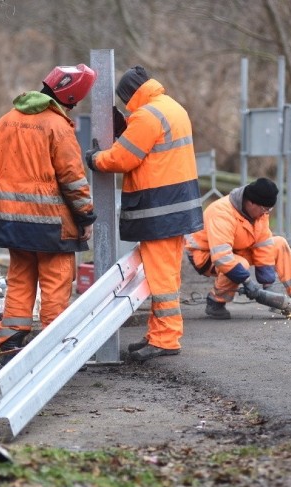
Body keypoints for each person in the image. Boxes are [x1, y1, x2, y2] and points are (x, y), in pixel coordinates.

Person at [86, 66, 204, 361]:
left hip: (159, 209)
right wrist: (127, 128)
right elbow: (153, 149)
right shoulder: (172, 108)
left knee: (161, 277)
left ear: (130, 95)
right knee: (168, 274)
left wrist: (94, 159)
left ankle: (165, 339)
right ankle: (159, 333)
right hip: (178, 207)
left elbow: (121, 158)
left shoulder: (146, 116)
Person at [0, 64, 97, 364]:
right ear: (71, 96)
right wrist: (86, 217)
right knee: (55, 282)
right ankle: (53, 347)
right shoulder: (58, 126)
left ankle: (10, 343)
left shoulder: (5, 121)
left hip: (10, 219)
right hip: (50, 224)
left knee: (20, 278)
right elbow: (73, 178)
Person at [184, 177, 291, 319]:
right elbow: (222, 257)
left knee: (279, 243)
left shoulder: (260, 212)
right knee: (240, 264)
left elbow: (263, 245)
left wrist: (268, 285)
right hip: (205, 255)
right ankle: (216, 301)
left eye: (269, 209)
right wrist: (248, 283)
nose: (266, 213)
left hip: (236, 248)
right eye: (264, 209)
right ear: (251, 202)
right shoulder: (222, 213)